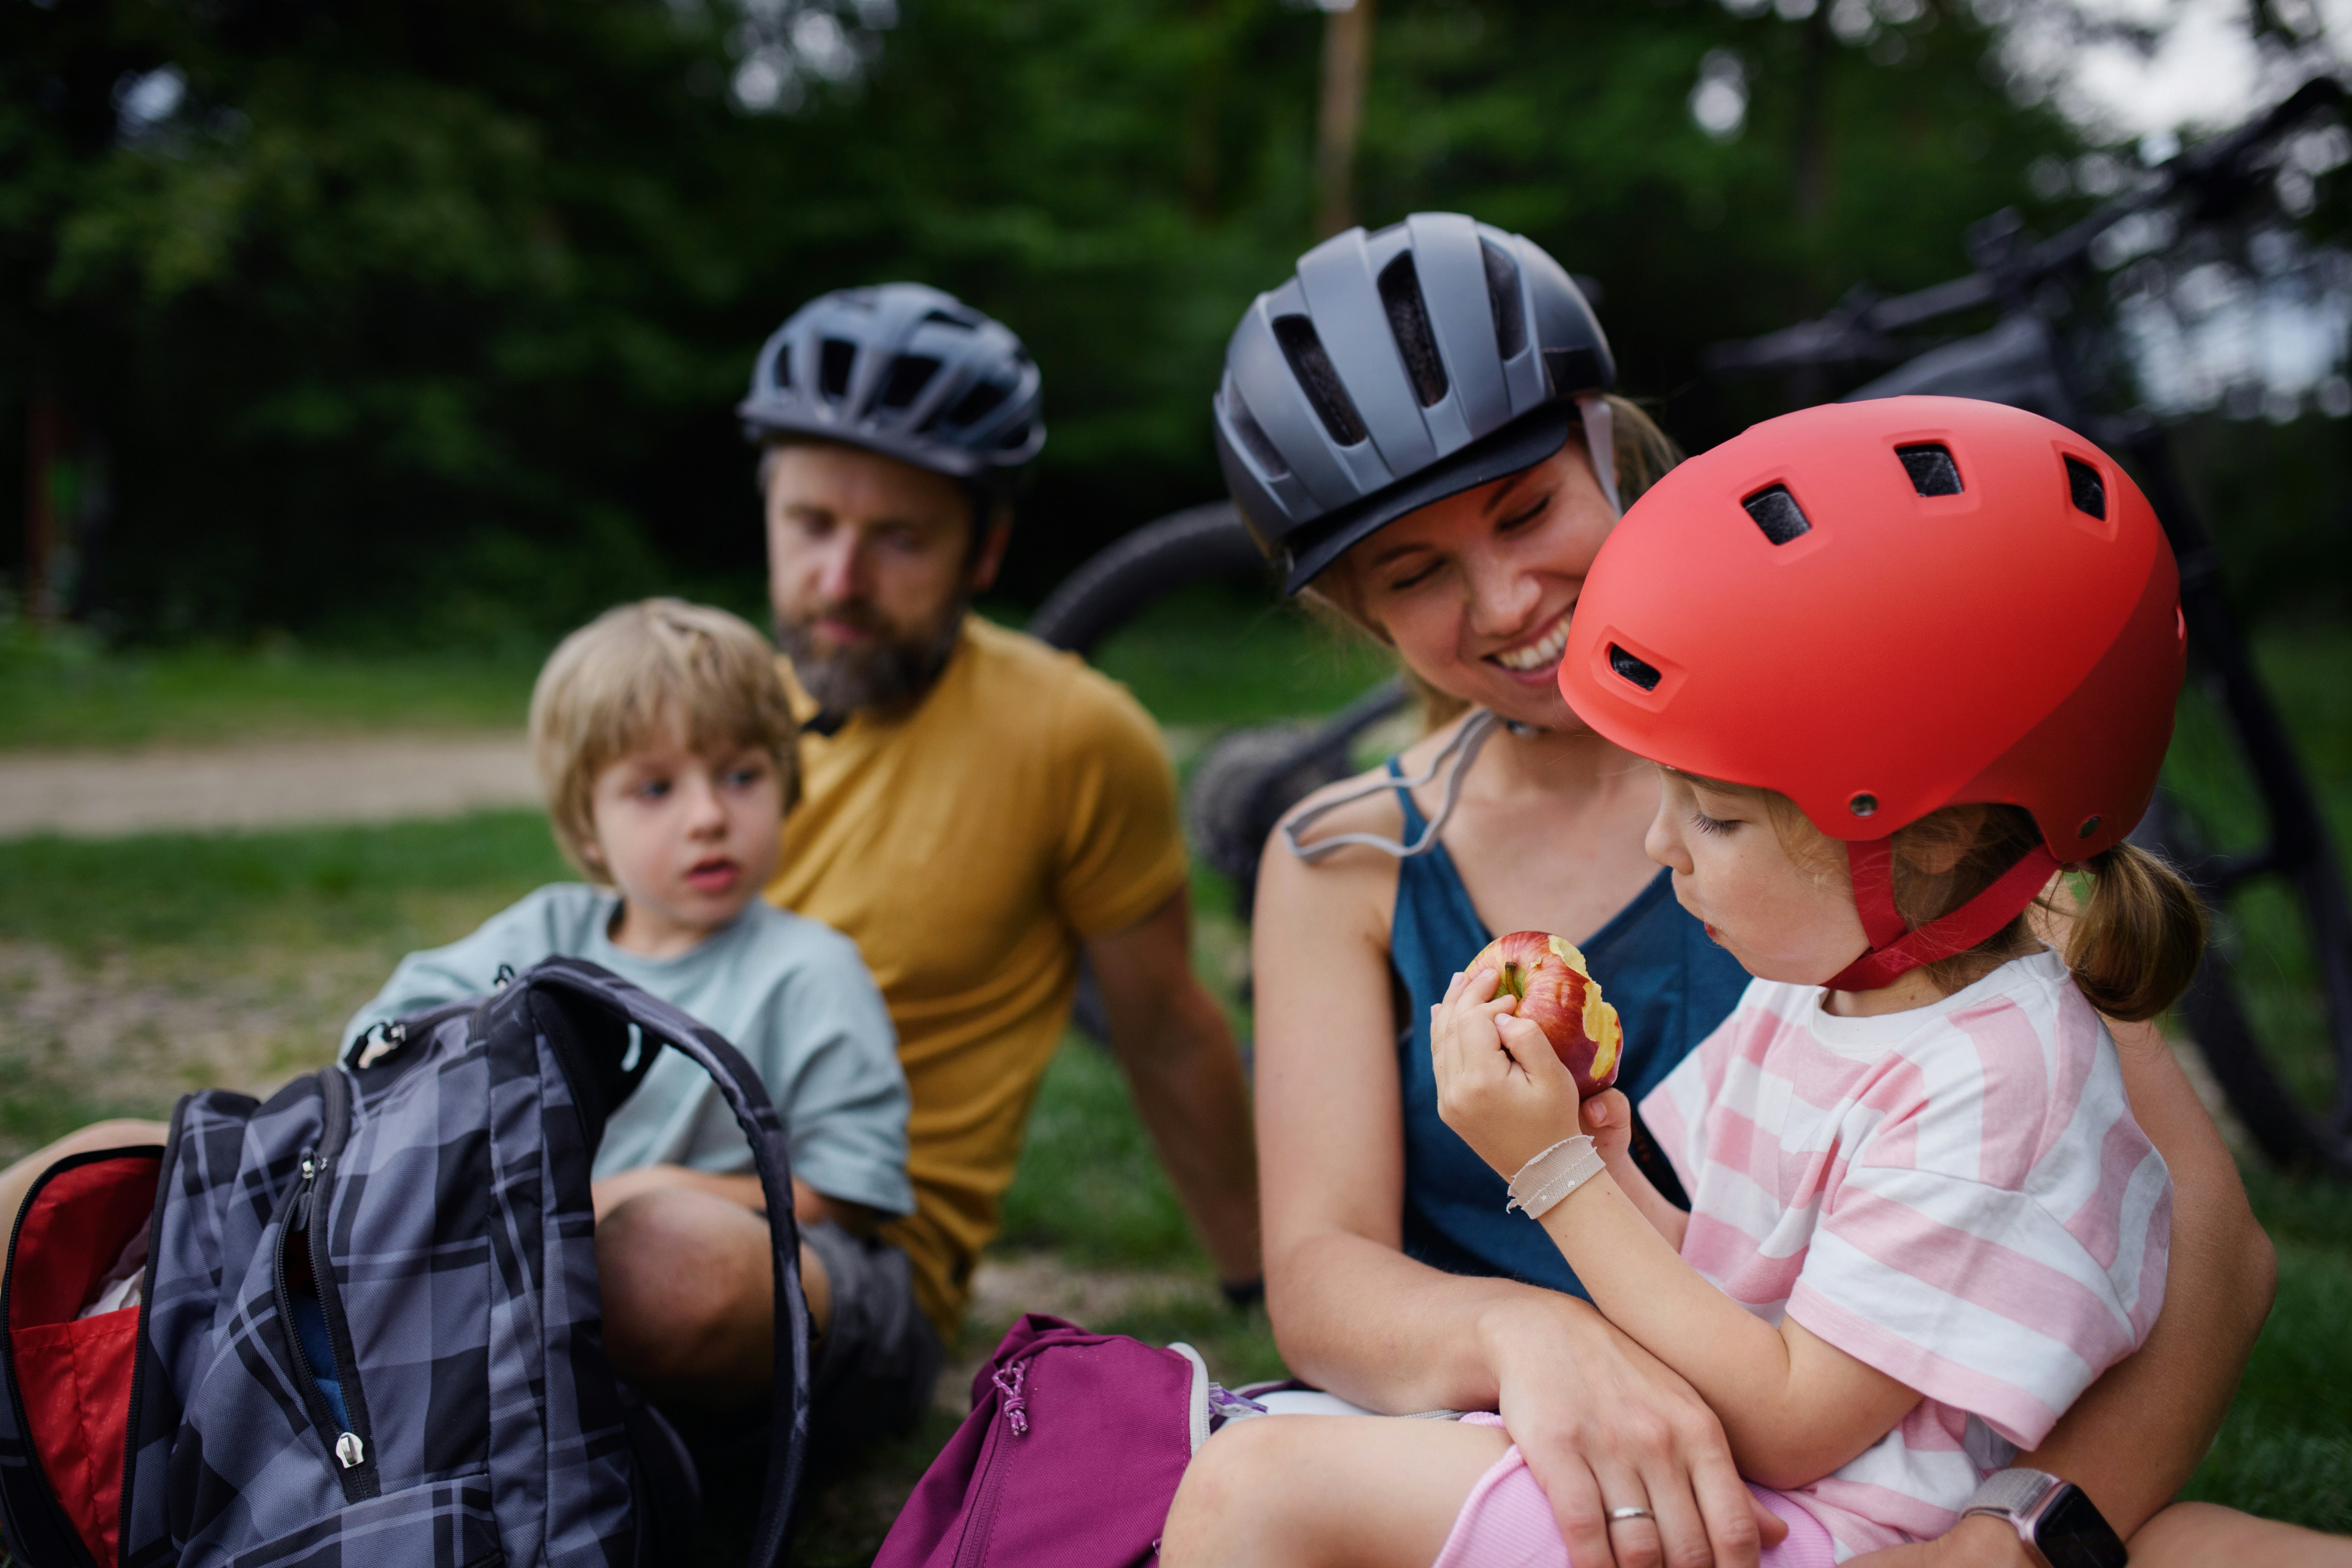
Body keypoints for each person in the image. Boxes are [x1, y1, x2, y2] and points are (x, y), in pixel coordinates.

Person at [1204, 214, 2286, 1568]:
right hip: (1537, 1467)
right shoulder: (1348, 857)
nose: (1503, 599)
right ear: (1358, 615)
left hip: (1881, 1493)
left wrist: (2021, 1538)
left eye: (1528, 508)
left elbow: (2212, 1241)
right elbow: (1319, 1276)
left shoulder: (1916, 803)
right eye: (1414, 576)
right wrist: (1533, 1333)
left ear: (1609, 440)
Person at [735, 283, 1260, 1350]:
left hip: (863, 1254)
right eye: (811, 524)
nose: (840, 579)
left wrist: (1267, 1288)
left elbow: (1163, 1029)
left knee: (666, 1277)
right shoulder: (707, 708)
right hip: (639, 1182)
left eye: (899, 540)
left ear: (982, 553)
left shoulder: (1071, 735)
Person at [341, 598, 934, 1444]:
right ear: (589, 820)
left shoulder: (811, 967)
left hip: (809, 1297)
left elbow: (847, 1195)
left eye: (741, 774)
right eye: (655, 787)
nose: (706, 816)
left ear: (786, 779)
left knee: (655, 1259)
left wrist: (630, 1193)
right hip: (586, 1277)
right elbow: (385, 1042)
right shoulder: (546, 935)